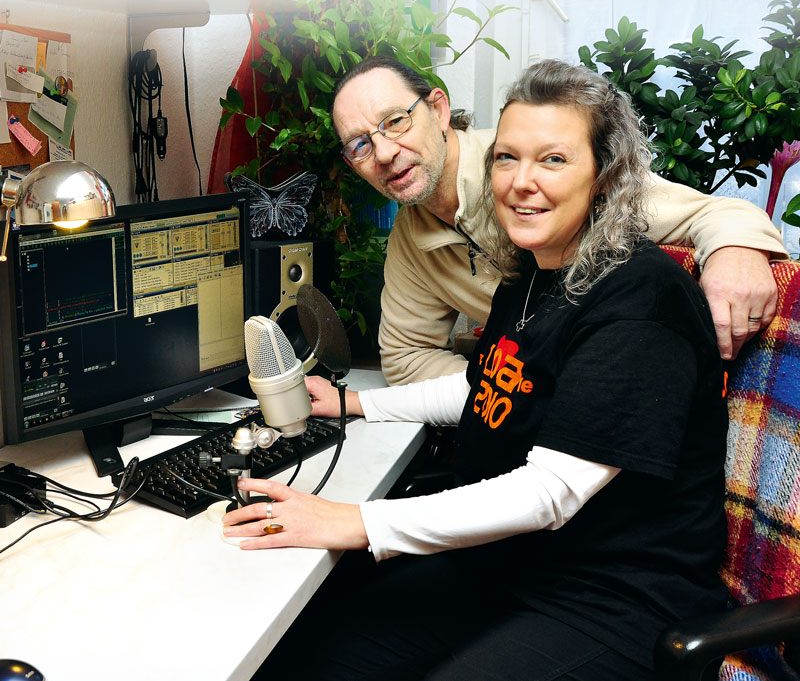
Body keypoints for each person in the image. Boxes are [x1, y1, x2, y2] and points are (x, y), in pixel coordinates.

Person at [224, 60, 730, 680]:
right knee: (319, 651)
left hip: (616, 597)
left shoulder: (641, 296)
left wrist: (358, 522)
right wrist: (357, 404)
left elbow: (550, 493)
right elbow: (482, 388)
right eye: (506, 158)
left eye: (552, 160)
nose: (522, 182)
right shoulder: (530, 278)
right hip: (516, 566)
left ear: (604, 176)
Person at [331, 55, 788, 385]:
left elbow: (714, 212)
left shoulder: (533, 173)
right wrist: (516, 384)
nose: (385, 152)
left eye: (396, 120)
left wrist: (736, 252)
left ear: (439, 110)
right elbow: (407, 361)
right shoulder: (412, 237)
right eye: (359, 144)